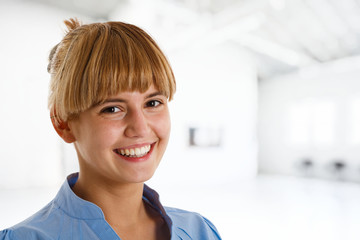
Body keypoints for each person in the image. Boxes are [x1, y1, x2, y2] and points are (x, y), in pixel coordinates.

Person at [0, 19, 221, 240]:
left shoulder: (199, 231)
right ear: (63, 122)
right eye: (112, 108)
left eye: (152, 103)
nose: (140, 128)